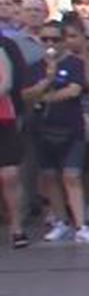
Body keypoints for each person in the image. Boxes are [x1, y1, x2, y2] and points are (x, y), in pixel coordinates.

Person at [21, 19, 89, 244]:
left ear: (64, 41)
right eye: (45, 39)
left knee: (71, 175)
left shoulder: (75, 63)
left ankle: (81, 225)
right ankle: (61, 222)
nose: (50, 43)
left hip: (71, 128)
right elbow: (26, 95)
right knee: (49, 176)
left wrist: (44, 96)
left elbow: (73, 91)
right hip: (42, 129)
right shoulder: (35, 66)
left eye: (55, 39)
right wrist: (48, 79)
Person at [0, 37, 26, 247]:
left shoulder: (2, 48)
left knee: (10, 174)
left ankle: (16, 225)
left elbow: (7, 82)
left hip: (3, 117)